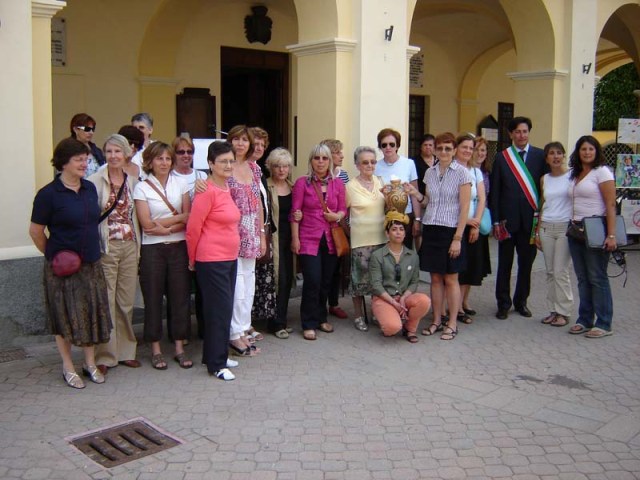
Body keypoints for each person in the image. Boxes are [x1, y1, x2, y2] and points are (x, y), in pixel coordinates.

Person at [29, 138, 112, 389]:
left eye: (86, 160)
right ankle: (67, 365)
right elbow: (36, 231)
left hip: (90, 262)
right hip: (63, 268)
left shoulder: (88, 188)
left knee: (91, 314)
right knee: (63, 316)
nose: (84, 164)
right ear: (63, 162)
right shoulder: (48, 195)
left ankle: (89, 363)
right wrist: (54, 257)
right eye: (79, 160)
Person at [405, 132, 471, 341]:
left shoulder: (462, 173)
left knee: (451, 278)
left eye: (448, 149)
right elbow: (427, 202)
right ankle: (436, 320)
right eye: (440, 148)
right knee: (434, 278)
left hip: (451, 230)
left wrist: (458, 238)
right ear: (434, 150)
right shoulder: (430, 173)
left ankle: (451, 323)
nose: (443, 152)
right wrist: (414, 194)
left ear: (454, 151)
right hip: (431, 228)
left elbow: (465, 207)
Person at [133, 142, 192, 370]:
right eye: (159, 159)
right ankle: (156, 349)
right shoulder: (142, 188)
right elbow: (146, 224)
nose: (164, 163)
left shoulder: (181, 183)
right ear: (150, 161)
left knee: (180, 298)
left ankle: (179, 348)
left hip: (179, 246)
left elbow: (188, 216)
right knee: (153, 299)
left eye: (167, 158)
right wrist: (171, 223)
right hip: (152, 250)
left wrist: (163, 226)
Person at [186, 141, 240, 380]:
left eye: (231, 160)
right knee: (218, 311)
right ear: (210, 164)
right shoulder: (206, 191)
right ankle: (216, 365)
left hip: (229, 258)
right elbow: (193, 229)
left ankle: (216, 354)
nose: (228, 165)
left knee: (224, 309)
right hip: (211, 259)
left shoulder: (226, 187)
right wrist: (192, 260)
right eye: (223, 161)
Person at [88, 134, 142, 375]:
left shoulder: (134, 180)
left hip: (130, 244)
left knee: (125, 301)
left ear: (126, 154)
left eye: (117, 152)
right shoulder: (94, 181)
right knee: (107, 301)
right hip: (106, 246)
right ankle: (106, 355)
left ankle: (126, 351)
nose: (113, 156)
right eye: (109, 151)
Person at [490, 116, 547, 319]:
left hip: (530, 221)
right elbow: (494, 192)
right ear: (511, 134)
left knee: (526, 264)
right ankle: (503, 303)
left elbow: (545, 189)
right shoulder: (502, 157)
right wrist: (496, 220)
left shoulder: (541, 156)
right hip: (507, 221)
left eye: (524, 131)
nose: (521, 135)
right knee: (505, 264)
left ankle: (521, 302)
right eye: (517, 132)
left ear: (529, 133)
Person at [291, 144, 347, 341]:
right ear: (311, 161)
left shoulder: (337, 184)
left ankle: (321, 317)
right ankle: (308, 322)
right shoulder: (301, 183)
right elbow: (295, 214)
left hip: (331, 238)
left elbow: (343, 210)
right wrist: (295, 238)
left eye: (324, 158)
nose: (321, 162)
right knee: (312, 281)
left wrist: (336, 215)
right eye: (317, 158)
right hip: (309, 238)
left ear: (329, 161)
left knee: (326, 281)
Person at [566, 136, 617, 338]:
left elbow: (611, 204)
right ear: (578, 152)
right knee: (582, 278)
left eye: (591, 149)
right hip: (576, 230)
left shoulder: (602, 172)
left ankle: (604, 322)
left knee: (597, 277)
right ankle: (585, 319)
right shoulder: (576, 173)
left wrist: (611, 234)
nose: (587, 152)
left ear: (596, 151)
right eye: (583, 149)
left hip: (596, 228)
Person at [226, 125, 266, 354]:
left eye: (244, 140)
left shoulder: (254, 168)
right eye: (236, 139)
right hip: (232, 231)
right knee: (237, 285)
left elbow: (258, 203)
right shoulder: (225, 166)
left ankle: (242, 330)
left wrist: (261, 234)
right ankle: (233, 333)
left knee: (249, 284)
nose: (241, 144)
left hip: (252, 230)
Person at [369, 212, 431, 342]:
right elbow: (376, 285)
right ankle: (392, 318)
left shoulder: (413, 256)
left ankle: (409, 329)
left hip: (404, 298)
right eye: (394, 229)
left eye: (401, 229)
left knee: (424, 301)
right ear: (387, 233)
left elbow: (414, 282)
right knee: (392, 328)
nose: (398, 233)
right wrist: (393, 303)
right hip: (385, 298)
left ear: (405, 234)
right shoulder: (377, 255)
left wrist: (403, 298)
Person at [345, 146, 386, 331]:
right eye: (365, 162)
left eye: (372, 161)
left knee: (378, 281)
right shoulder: (350, 187)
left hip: (382, 240)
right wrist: (351, 232)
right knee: (359, 281)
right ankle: (359, 316)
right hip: (361, 242)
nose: (369, 165)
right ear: (357, 164)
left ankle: (377, 313)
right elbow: (342, 214)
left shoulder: (381, 182)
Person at [535, 142, 574, 327]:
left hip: (564, 227)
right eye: (552, 153)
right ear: (547, 158)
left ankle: (564, 311)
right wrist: (537, 231)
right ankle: (553, 309)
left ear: (564, 156)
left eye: (559, 153)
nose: (556, 156)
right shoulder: (545, 179)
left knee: (561, 271)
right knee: (550, 271)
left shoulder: (572, 176)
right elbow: (542, 205)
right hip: (546, 228)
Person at [455, 134, 490, 324]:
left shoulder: (475, 171)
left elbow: (482, 198)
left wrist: (475, 222)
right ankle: (456, 307)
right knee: (457, 269)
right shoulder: (451, 170)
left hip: (473, 225)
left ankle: (461, 304)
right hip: (456, 224)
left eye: (471, 148)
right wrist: (466, 221)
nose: (468, 151)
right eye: (465, 148)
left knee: (469, 268)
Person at [249, 127, 277, 335]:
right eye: (255, 144)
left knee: (258, 278)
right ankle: (244, 325)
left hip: (263, 230)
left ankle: (252, 322)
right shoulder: (240, 168)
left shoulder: (258, 170)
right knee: (246, 280)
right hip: (248, 233)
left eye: (262, 145)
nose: (258, 148)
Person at [265, 148, 296, 338]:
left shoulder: (293, 187)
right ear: (270, 167)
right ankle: (275, 323)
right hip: (272, 239)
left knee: (286, 280)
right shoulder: (266, 186)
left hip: (289, 239)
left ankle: (281, 320)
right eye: (277, 166)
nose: (282, 170)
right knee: (276, 279)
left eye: (285, 166)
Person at [375, 128, 421, 249]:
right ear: (380, 147)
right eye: (384, 145)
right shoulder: (375, 166)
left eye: (392, 144)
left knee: (404, 253)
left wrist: (417, 218)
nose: (388, 147)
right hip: (384, 216)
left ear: (397, 146)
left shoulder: (409, 164)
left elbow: (414, 193)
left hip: (405, 215)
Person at [321, 138, 350, 320]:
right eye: (337, 152)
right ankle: (320, 304)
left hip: (340, 225)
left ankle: (333, 303)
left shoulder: (343, 175)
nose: (341, 155)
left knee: (337, 268)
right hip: (323, 226)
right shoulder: (319, 174)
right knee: (323, 269)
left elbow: (345, 201)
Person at [69, 113, 105, 178]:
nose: (91, 132)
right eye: (87, 129)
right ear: (75, 129)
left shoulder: (96, 151)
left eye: (93, 129)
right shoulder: (67, 149)